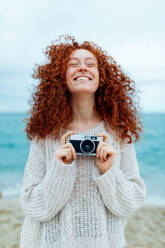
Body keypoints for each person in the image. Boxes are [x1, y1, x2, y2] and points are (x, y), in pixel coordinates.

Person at [20, 35, 146, 248]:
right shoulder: (46, 134)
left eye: (90, 64)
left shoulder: (117, 133)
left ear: (101, 77)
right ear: (61, 76)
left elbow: (131, 201)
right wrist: (60, 170)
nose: (82, 68)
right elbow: (32, 205)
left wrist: (108, 171)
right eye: (73, 64)